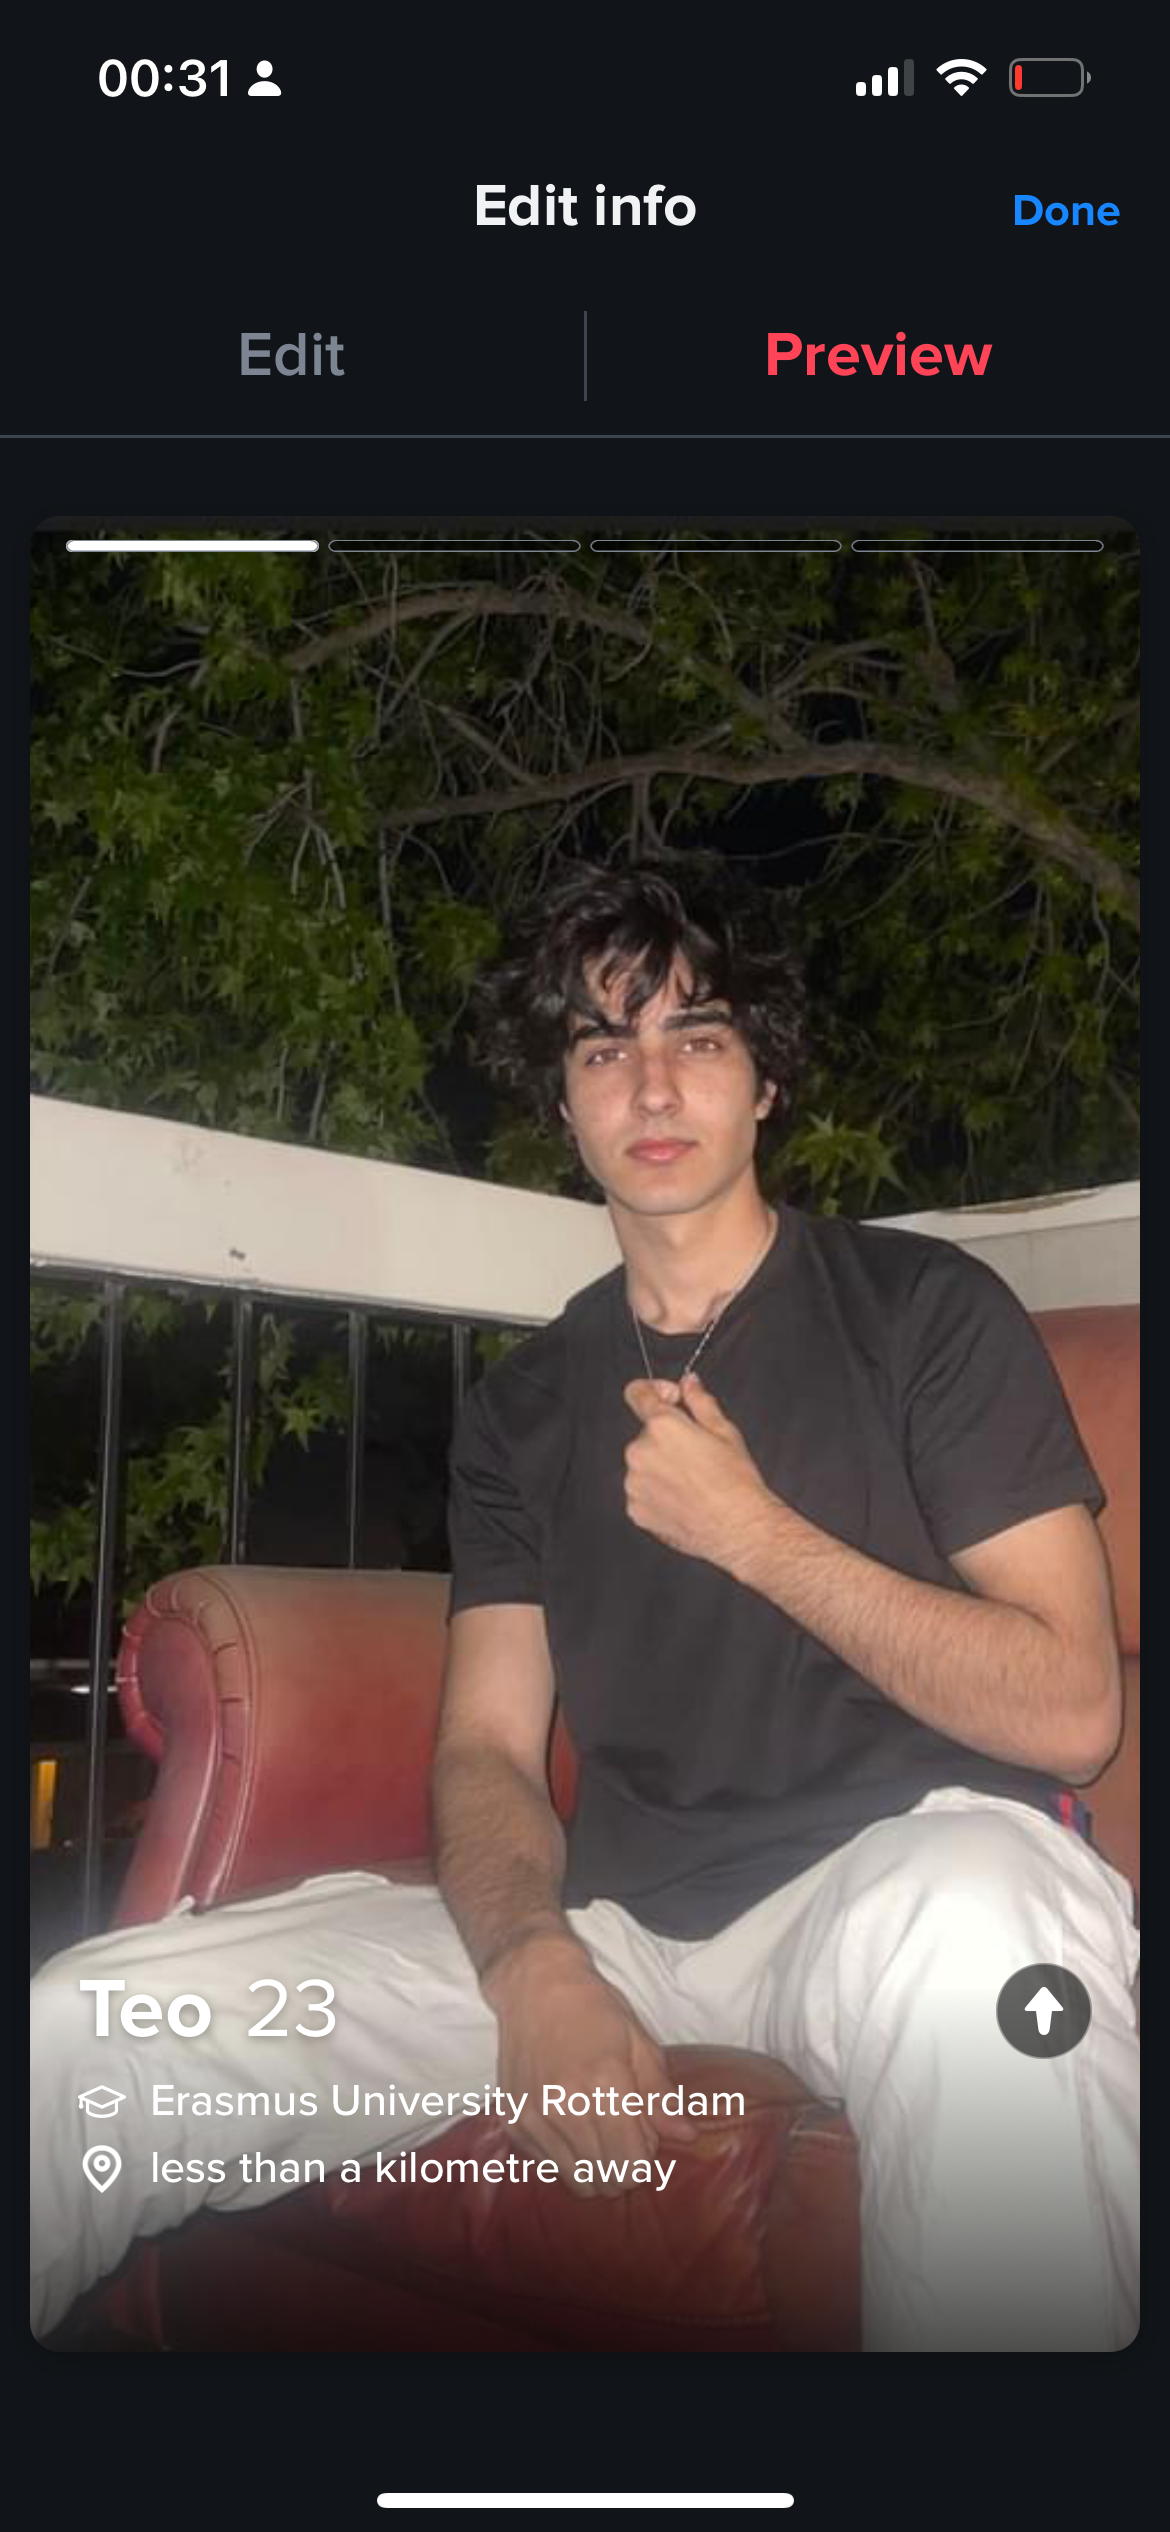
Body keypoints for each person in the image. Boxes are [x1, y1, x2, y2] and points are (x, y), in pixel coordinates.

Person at [30, 854, 1139, 2351]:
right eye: (602, 1049)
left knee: (992, 1933)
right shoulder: (526, 1407)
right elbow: (487, 1749)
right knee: (87, 2030)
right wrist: (530, 1958)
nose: (653, 1086)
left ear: (766, 1083)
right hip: (618, 1924)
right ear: (564, 1106)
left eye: (699, 1036)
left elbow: (1071, 1712)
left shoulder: (923, 1315)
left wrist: (754, 1534)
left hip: (889, 1898)